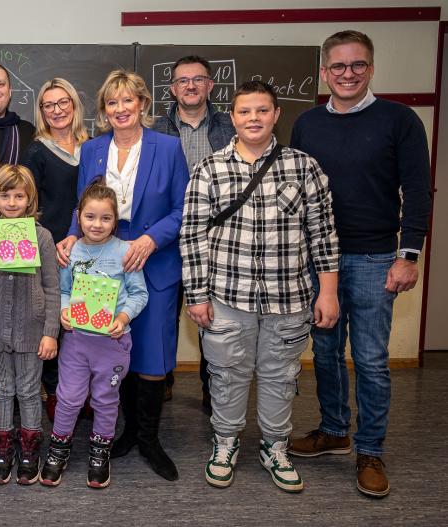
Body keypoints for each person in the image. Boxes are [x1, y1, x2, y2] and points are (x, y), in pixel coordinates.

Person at [287, 30, 433, 498]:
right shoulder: (307, 123)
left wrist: (408, 255)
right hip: (317, 259)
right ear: (324, 71)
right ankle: (334, 431)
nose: (347, 74)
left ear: (370, 69)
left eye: (358, 66)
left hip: (375, 257)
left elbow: (417, 188)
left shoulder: (399, 119)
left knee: (369, 360)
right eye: (338, 66)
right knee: (325, 353)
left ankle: (370, 449)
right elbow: (298, 195)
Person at [180, 81, 340, 493]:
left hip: (288, 300)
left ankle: (274, 446)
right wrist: (196, 294)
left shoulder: (305, 168)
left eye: (262, 111)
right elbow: (192, 236)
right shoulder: (209, 169)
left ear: (275, 115)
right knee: (227, 375)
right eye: (245, 111)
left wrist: (328, 291)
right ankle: (226, 442)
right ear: (232, 117)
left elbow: (323, 236)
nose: (253, 118)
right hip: (226, 297)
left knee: (280, 377)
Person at [56, 70, 189, 481]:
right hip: (99, 257)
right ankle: (124, 432)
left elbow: (183, 209)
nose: (120, 109)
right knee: (110, 347)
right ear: (103, 110)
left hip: (152, 256)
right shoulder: (92, 149)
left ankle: (147, 437)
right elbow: (84, 206)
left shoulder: (168, 148)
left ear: (143, 104)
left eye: (127, 101)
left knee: (150, 353)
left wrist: (149, 241)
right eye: (112, 103)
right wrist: (71, 237)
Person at [41, 181, 148, 489]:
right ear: (79, 218)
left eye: (105, 218)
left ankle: (100, 452)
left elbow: (139, 294)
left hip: (112, 344)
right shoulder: (71, 251)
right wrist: (63, 311)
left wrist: (124, 316)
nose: (97, 224)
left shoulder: (125, 251)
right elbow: (63, 290)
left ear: (115, 220)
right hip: (77, 342)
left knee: (104, 399)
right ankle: (58, 449)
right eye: (90, 217)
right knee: (69, 397)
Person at [151, 55, 236, 411]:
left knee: (212, 318)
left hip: (216, 239)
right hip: (167, 239)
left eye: (198, 79)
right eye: (183, 80)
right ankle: (162, 379)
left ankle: (210, 386)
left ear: (210, 85)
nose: (190, 86)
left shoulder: (230, 127)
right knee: (163, 315)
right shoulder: (155, 130)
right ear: (172, 88)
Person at [0, 165, 60, 485]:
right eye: (4, 195)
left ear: (29, 199)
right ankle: (4, 448)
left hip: (31, 328)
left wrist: (51, 332)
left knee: (28, 390)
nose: (11, 202)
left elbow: (52, 287)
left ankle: (29, 449)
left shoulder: (42, 236)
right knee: (1, 389)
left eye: (18, 196)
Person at [20, 78, 90, 422]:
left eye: (63, 102)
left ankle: (85, 391)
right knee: (55, 321)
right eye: (48, 105)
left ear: (74, 105)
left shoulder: (92, 146)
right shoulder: (36, 150)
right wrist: (46, 243)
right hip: (53, 249)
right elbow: (28, 203)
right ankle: (55, 392)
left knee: (87, 316)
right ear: (42, 112)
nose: (57, 110)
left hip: (90, 248)